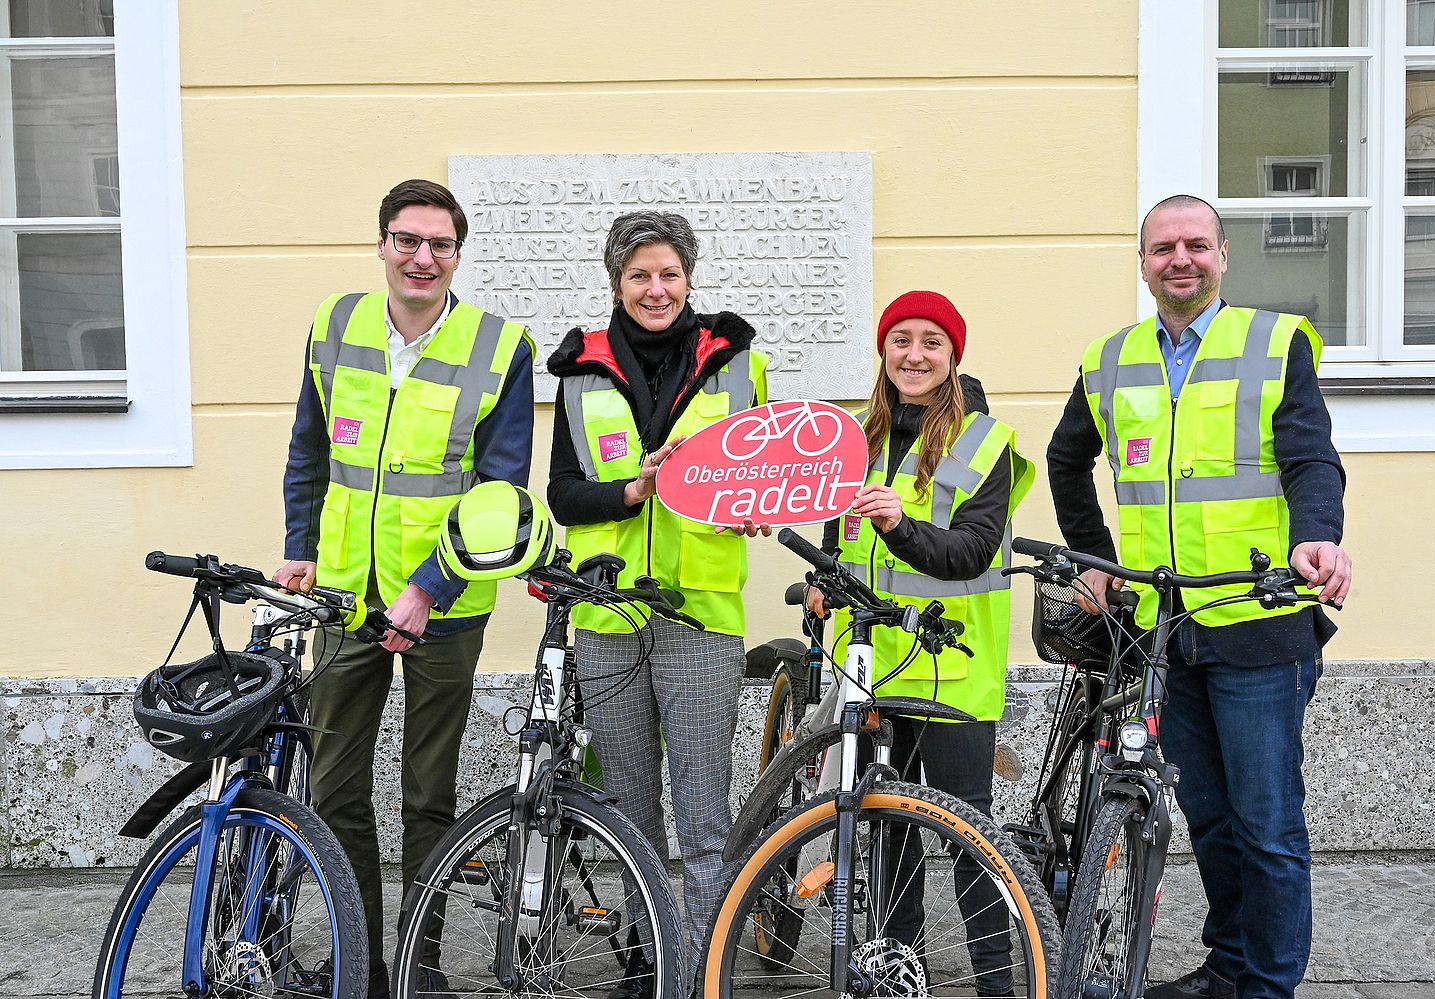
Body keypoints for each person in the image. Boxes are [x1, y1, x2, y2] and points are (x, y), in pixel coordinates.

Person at [1046, 194, 1352, 999]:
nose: (1178, 259)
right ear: (1142, 262)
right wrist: (1097, 559)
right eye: (1162, 248)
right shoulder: (1108, 358)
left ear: (1222, 254)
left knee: (1268, 825)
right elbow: (1066, 459)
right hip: (1162, 629)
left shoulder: (1272, 342)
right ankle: (1228, 965)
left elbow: (1313, 461)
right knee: (1211, 821)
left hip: (1260, 621)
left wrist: (1317, 533)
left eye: (1194, 245)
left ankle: (1268, 987)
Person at [275, 178, 535, 999]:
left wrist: (426, 587)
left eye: (441, 244)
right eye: (407, 240)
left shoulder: (500, 346)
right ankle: (363, 963)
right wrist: (297, 550)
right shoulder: (336, 325)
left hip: (447, 608)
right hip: (345, 598)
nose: (423, 257)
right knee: (335, 783)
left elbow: (499, 496)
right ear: (382, 244)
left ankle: (419, 966)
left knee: (429, 793)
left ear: (459, 254)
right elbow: (309, 453)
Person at [546, 209, 769, 988]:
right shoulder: (581, 367)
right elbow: (565, 496)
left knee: (707, 819)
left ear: (689, 278)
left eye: (669, 273)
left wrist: (755, 502)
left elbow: (758, 472)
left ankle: (706, 970)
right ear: (617, 280)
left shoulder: (737, 360)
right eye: (639, 274)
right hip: (608, 620)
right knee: (629, 814)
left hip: (701, 616)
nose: (656, 288)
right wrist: (631, 488)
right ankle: (649, 966)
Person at [808, 289, 1035, 997]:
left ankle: (1000, 980)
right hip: (870, 664)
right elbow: (834, 540)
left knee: (971, 838)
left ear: (952, 357)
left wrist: (897, 525)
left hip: (952, 667)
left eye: (931, 342)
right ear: (883, 351)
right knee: (887, 828)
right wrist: (822, 578)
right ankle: (899, 974)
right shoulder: (855, 436)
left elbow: (970, 552)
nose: (914, 354)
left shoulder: (984, 441)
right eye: (901, 339)